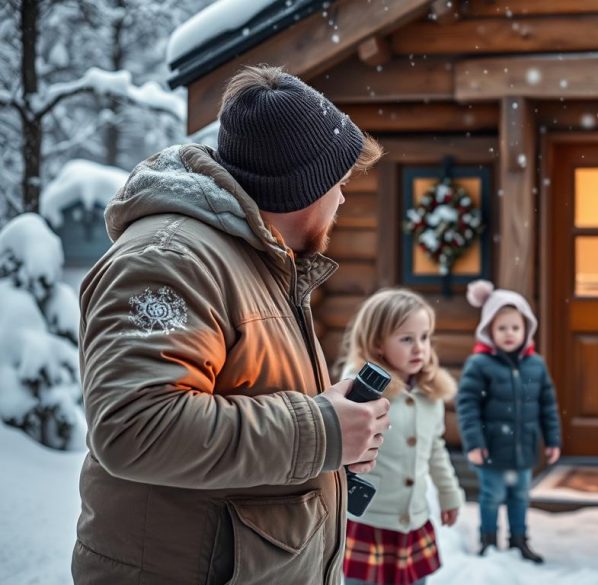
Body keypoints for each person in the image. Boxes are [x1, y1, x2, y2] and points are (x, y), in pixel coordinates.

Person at [74, 66, 390, 584]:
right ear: (303, 187)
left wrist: (334, 423)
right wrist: (322, 429)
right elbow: (136, 428)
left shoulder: (256, 261)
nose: (343, 199)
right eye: (340, 182)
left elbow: (243, 398)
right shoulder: (171, 259)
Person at [340, 289, 464, 585]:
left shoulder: (430, 394)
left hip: (413, 519)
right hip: (369, 519)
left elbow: (435, 449)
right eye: (407, 339)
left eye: (424, 337)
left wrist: (449, 494)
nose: (419, 347)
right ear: (378, 343)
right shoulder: (361, 394)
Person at [456, 280, 562, 564]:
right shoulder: (479, 365)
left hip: (523, 448)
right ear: (489, 330)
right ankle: (488, 540)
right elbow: (467, 406)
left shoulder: (535, 365)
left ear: (526, 329)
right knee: (491, 496)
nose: (509, 334)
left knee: (520, 497)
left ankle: (519, 540)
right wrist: (474, 443)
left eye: (515, 327)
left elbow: (547, 405)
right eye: (501, 328)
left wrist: (552, 440)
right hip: (491, 448)